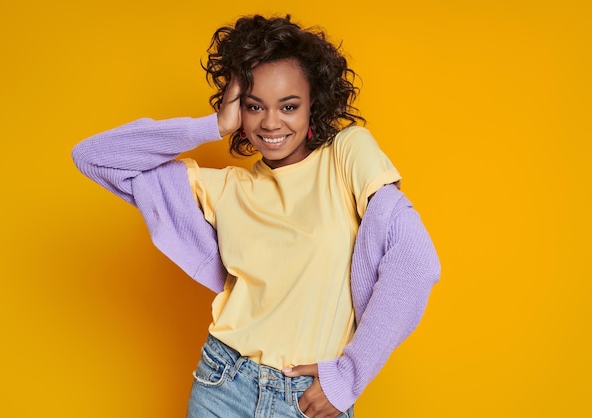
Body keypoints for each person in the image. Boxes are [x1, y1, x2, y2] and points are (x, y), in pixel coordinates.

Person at [72, 14, 440, 418]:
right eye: (253, 106)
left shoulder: (347, 154)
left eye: (288, 106)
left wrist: (347, 379)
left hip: (308, 397)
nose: (270, 122)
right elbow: (94, 157)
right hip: (222, 383)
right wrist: (214, 125)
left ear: (312, 103)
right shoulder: (225, 189)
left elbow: (415, 261)